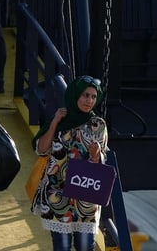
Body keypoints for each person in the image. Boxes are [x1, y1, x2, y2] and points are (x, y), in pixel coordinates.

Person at [31, 75, 108, 251]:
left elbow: (100, 161)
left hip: (86, 195)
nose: (89, 101)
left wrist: (96, 155)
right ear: (75, 95)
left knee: (84, 247)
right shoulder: (60, 119)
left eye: (93, 97)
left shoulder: (98, 125)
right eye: (85, 95)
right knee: (62, 247)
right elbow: (41, 149)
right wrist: (55, 122)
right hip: (57, 193)